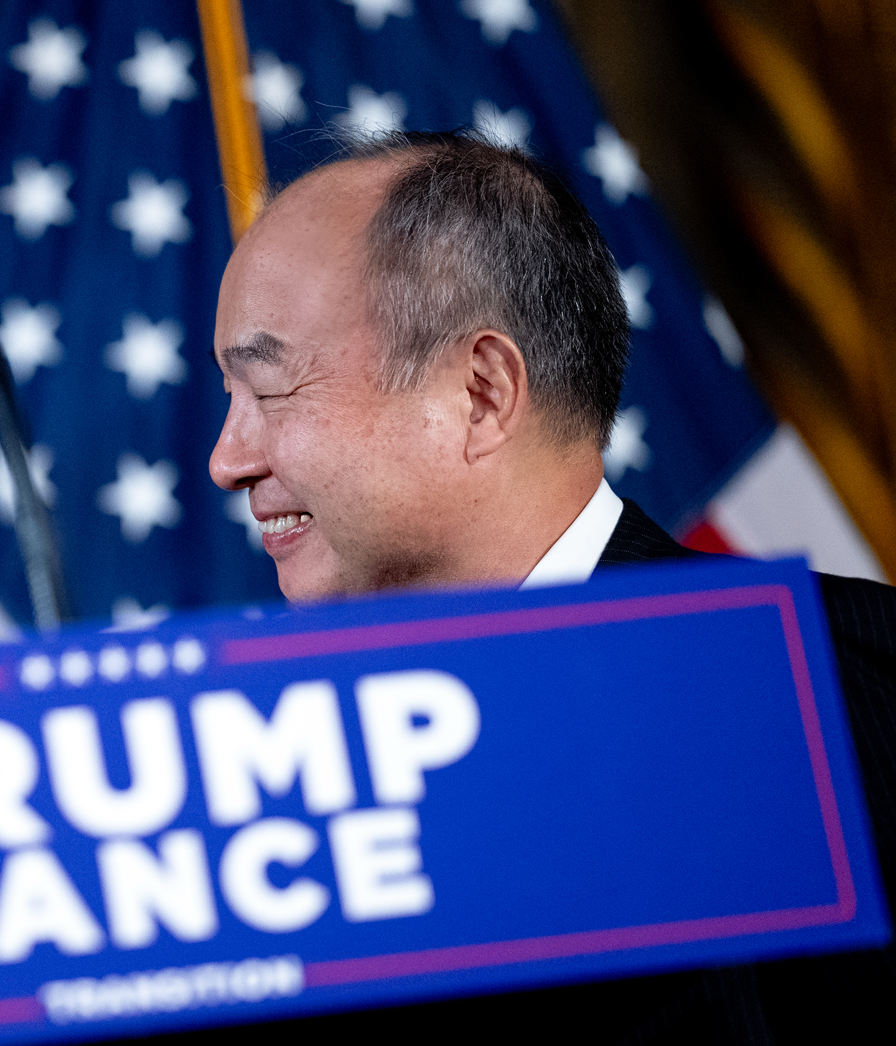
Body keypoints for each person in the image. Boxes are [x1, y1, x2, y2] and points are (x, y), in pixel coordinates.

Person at [206, 131, 896, 1040]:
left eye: (272, 389)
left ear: (481, 393)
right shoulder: (260, 804)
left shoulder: (858, 683)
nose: (227, 460)